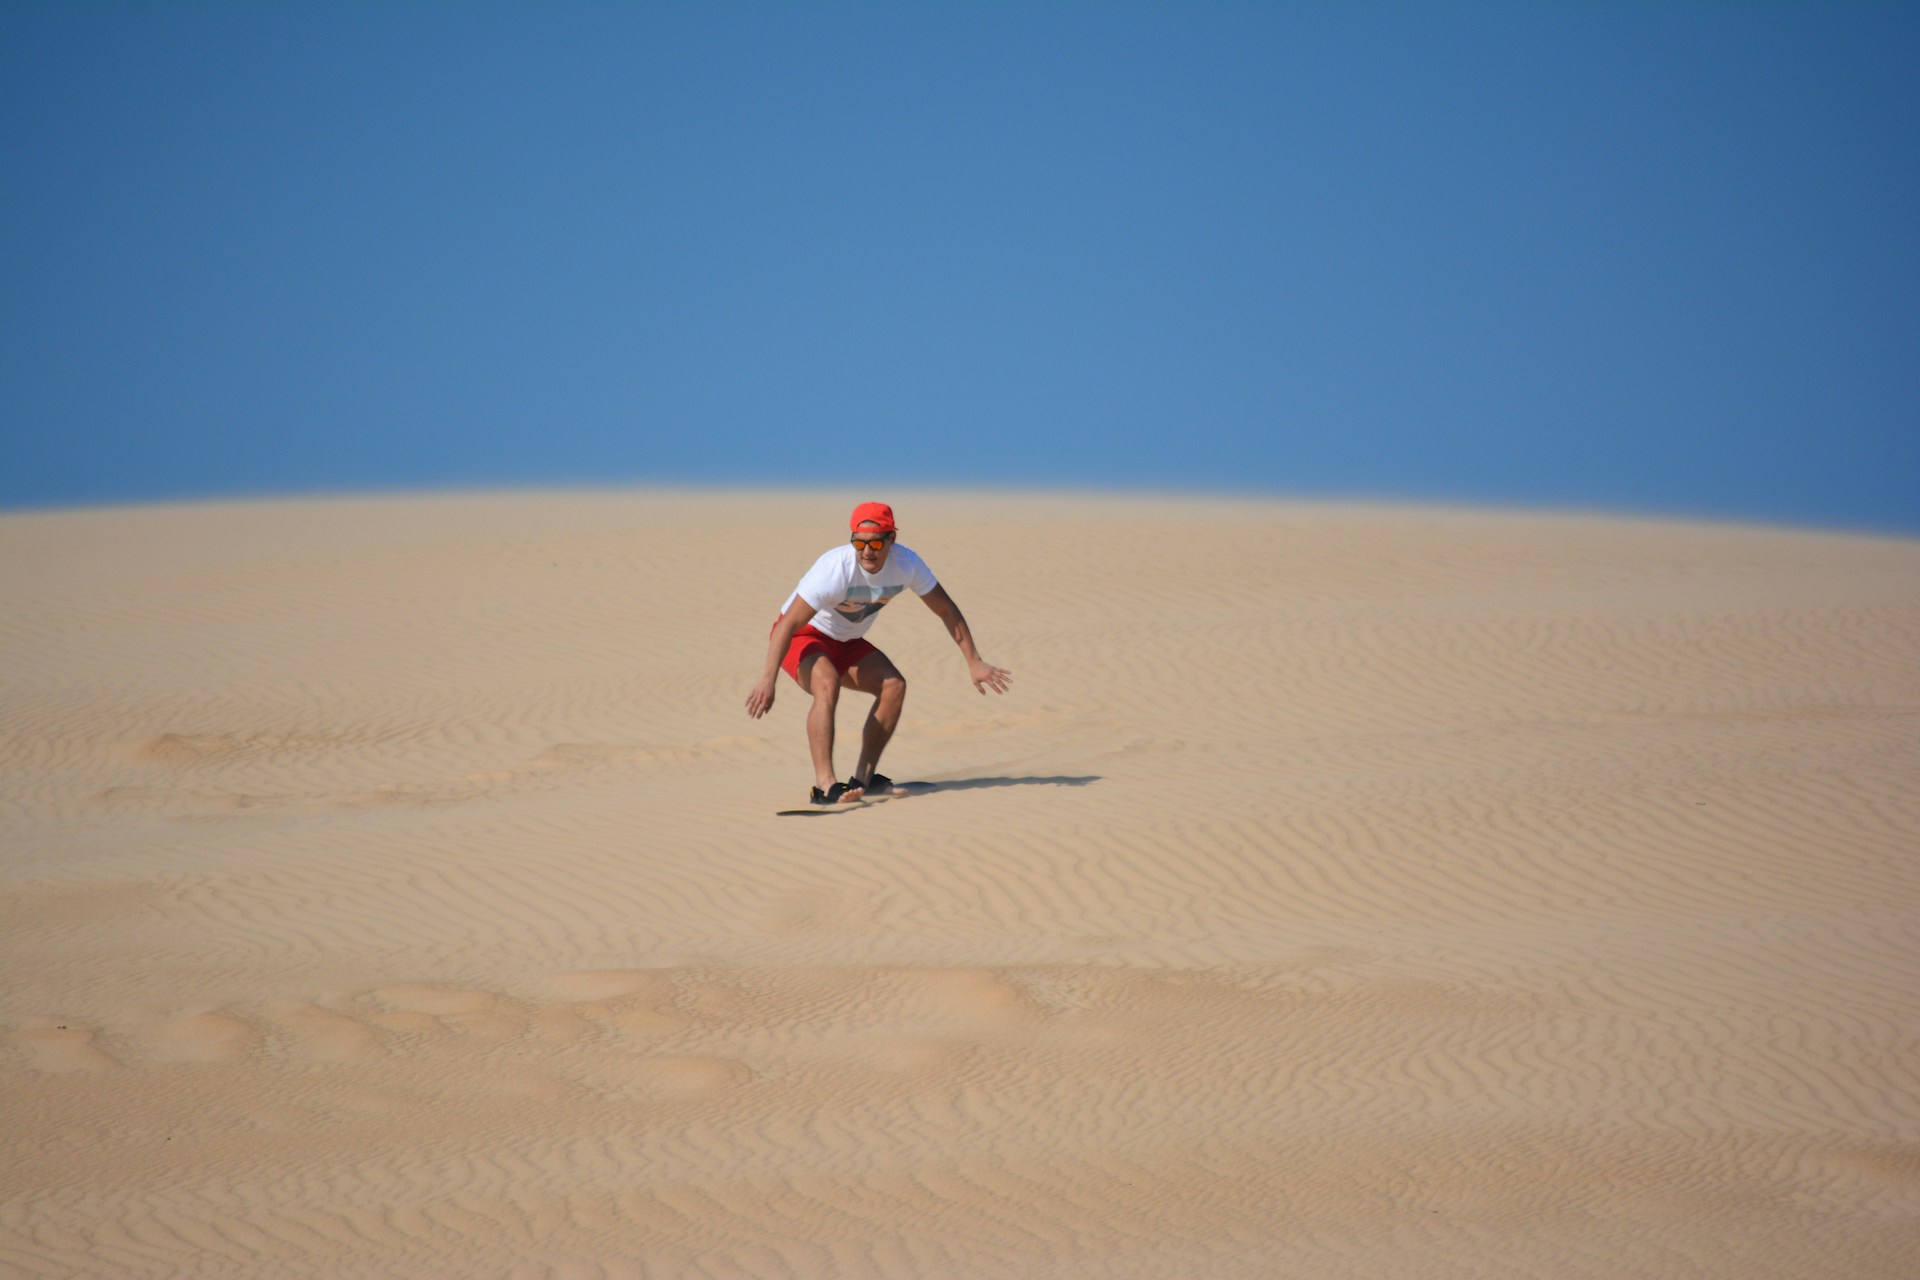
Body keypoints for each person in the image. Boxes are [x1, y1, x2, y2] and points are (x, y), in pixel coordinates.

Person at [746, 501, 1012, 805]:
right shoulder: (834, 569)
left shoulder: (907, 564)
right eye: (859, 542)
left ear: (891, 540)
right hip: (803, 636)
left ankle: (864, 779)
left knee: (894, 686)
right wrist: (767, 680)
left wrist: (974, 661)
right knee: (826, 683)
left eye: (875, 542)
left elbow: (946, 610)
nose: (867, 551)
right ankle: (825, 786)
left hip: (848, 642)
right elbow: (787, 625)